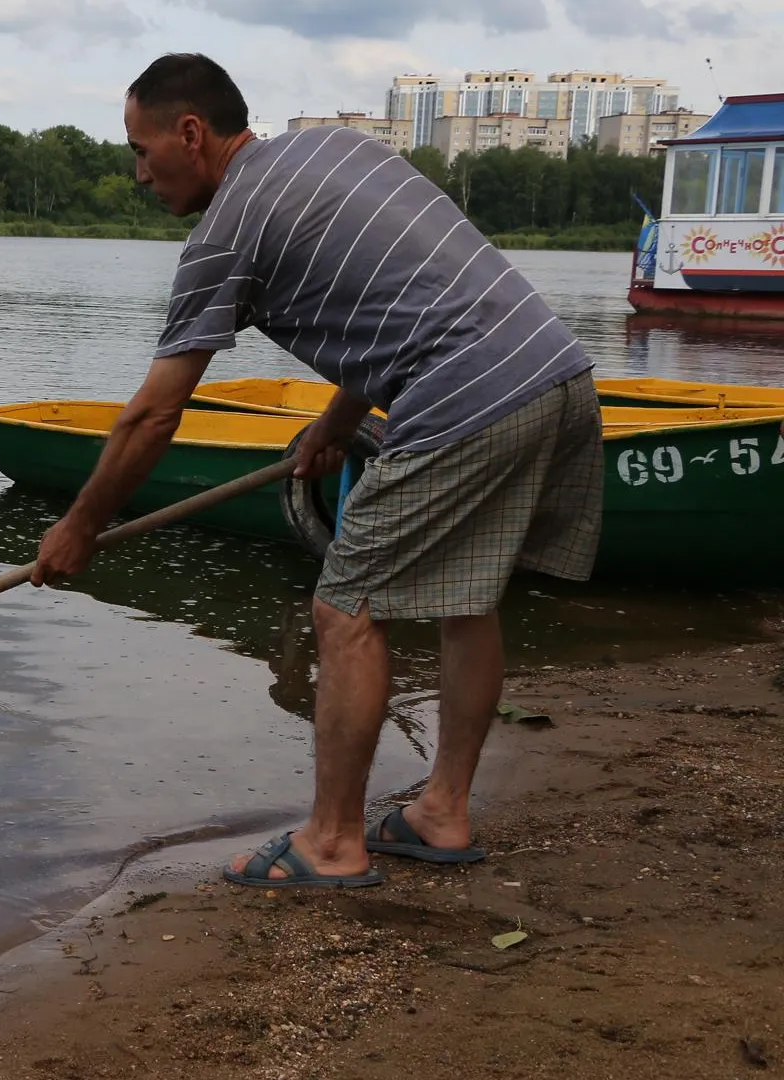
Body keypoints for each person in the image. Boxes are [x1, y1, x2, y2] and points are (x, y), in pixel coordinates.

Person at [30, 53, 603, 888]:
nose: (138, 172)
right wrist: (333, 425)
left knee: (345, 611)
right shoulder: (333, 149)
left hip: (468, 398)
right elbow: (401, 303)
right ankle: (441, 812)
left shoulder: (221, 235)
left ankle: (331, 842)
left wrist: (81, 527)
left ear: (191, 134)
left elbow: (155, 415)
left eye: (141, 150)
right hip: (556, 373)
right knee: (466, 600)